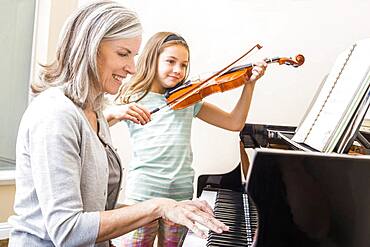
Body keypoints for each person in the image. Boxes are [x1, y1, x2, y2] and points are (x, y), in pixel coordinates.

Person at [7, 2, 228, 247]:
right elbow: (67, 231)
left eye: (133, 56)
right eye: (123, 54)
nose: (132, 68)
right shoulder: (55, 115)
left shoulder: (94, 111)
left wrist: (172, 207)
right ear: (89, 49)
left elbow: (96, 208)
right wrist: (158, 206)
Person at [115, 31, 267, 246]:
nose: (178, 70)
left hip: (180, 196)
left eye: (184, 65)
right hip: (143, 196)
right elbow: (96, 123)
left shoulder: (189, 99)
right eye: (171, 61)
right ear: (152, 59)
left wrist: (248, 84)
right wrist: (116, 112)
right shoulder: (132, 98)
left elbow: (234, 123)